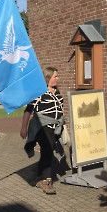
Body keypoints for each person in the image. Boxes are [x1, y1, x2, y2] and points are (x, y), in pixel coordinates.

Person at [20, 66, 64, 195]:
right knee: (47, 151)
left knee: (47, 152)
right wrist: (24, 127)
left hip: (54, 128)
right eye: (55, 76)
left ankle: (39, 178)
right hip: (41, 127)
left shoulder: (58, 93)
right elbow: (28, 110)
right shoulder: (39, 93)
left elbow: (59, 110)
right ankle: (46, 181)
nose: (57, 78)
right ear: (48, 78)